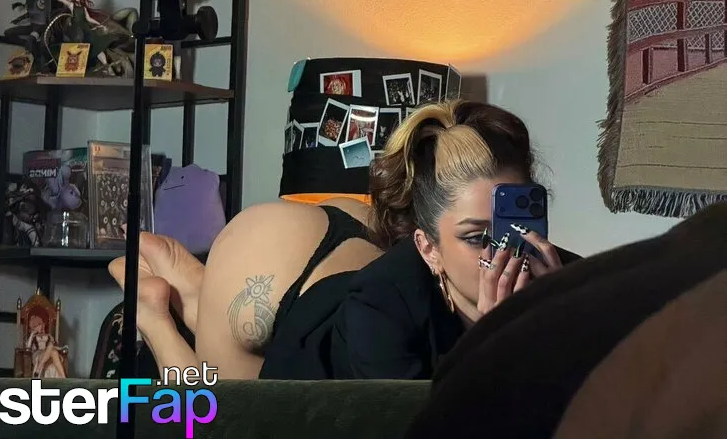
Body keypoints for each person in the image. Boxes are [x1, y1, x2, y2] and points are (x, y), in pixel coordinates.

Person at [109, 100, 577, 380]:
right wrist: (498, 345)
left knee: (227, 323)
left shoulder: (571, 282)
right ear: (428, 248)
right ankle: (154, 315)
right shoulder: (383, 311)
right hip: (275, 264)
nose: (504, 252)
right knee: (212, 417)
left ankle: (195, 290)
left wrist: (564, 329)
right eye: (477, 238)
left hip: (342, 265)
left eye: (516, 227)